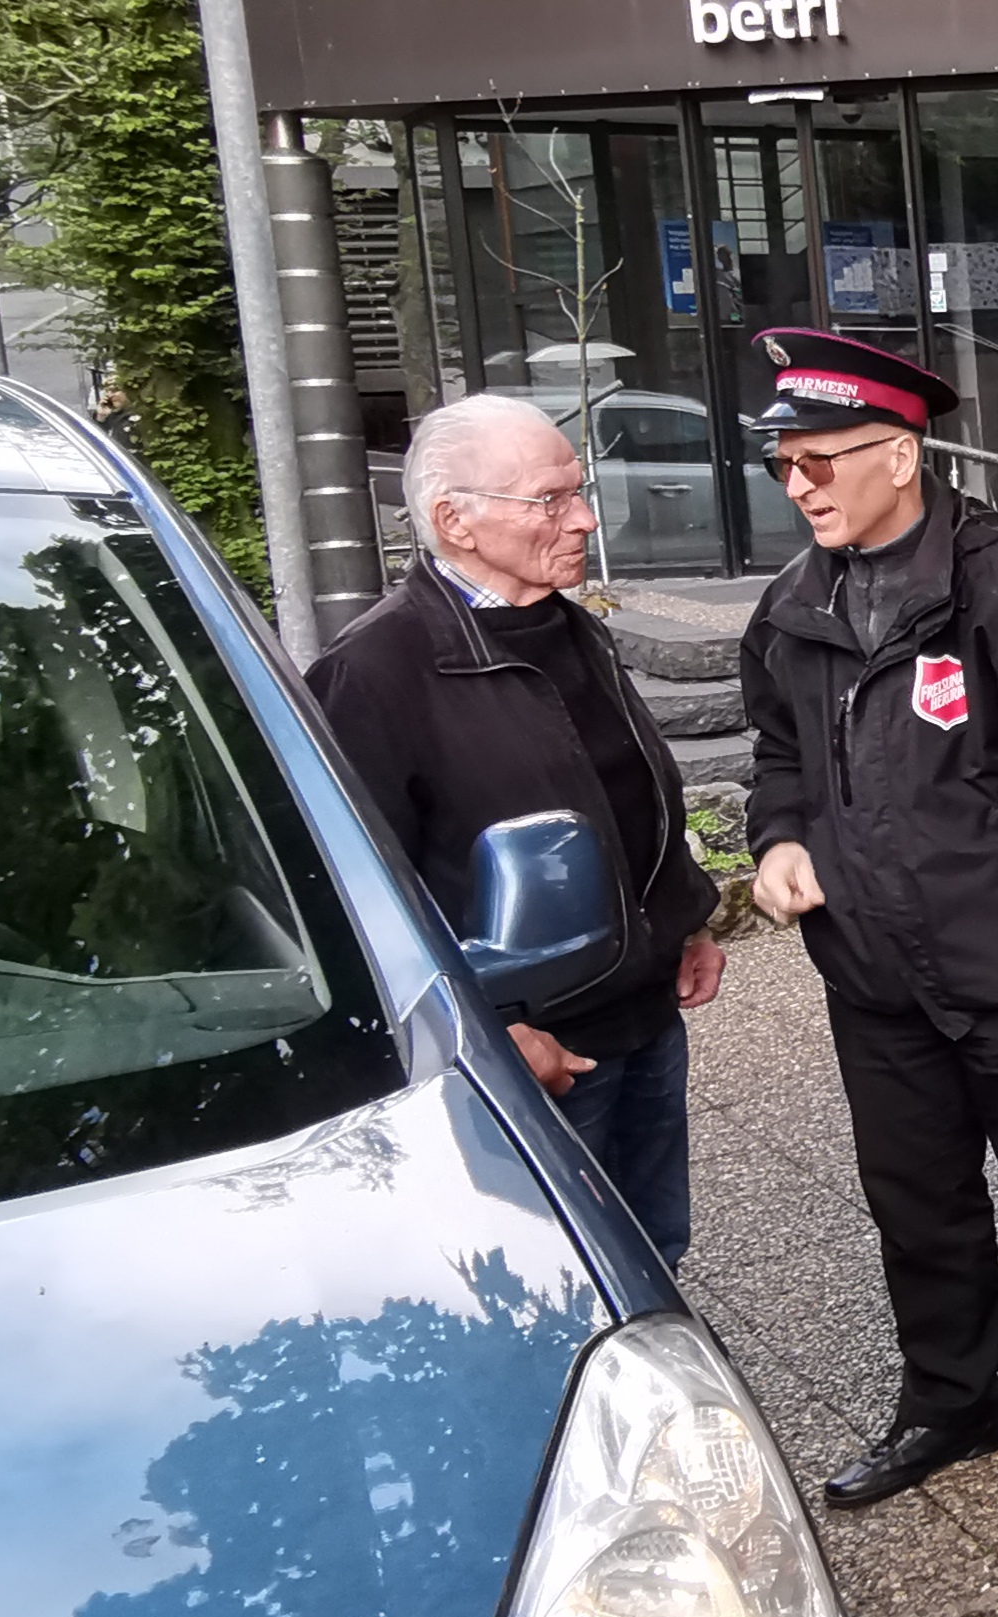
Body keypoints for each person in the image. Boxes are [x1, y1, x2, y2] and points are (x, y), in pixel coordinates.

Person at [737, 328, 998, 1528]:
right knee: (915, 1205)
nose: (798, 485)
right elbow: (778, 753)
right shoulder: (792, 605)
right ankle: (950, 1401)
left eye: (818, 460)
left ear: (899, 454)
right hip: (874, 978)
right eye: (782, 465)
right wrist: (778, 839)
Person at [305, 394, 726, 1268]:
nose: (585, 519)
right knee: (552, 1276)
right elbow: (352, 899)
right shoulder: (373, 672)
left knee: (654, 1254)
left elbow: (624, 792)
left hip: (644, 1017)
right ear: (454, 520)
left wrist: (684, 918)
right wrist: (484, 1030)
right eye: (550, 500)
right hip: (532, 1050)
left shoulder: (569, 627)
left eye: (579, 492)